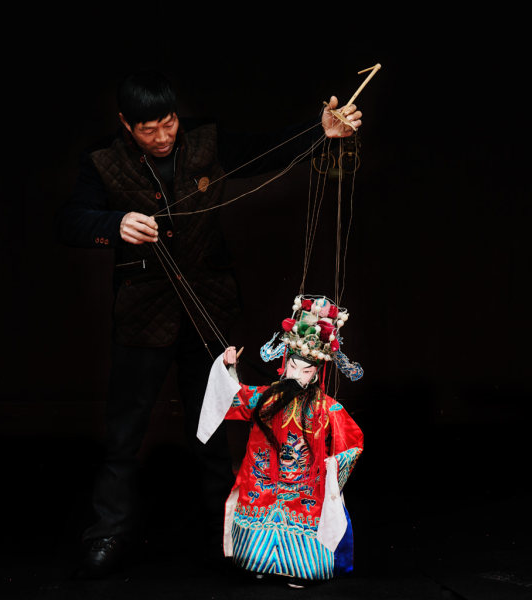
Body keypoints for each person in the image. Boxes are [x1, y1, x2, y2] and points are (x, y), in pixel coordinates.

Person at [55, 70, 362, 578]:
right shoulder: (102, 160)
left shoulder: (206, 140)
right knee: (124, 432)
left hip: (208, 306)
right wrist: (113, 223)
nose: (162, 137)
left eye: (169, 123)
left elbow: (265, 150)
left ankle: (233, 536)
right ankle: (107, 532)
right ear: (126, 124)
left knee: (218, 425)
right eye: (148, 129)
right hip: (143, 315)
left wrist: (319, 131)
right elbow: (70, 220)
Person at [197, 295, 364, 589]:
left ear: (317, 373)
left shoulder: (327, 408)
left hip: (304, 487)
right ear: (284, 364)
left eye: (306, 371)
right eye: (293, 367)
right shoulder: (266, 398)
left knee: (304, 533)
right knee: (255, 537)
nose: (297, 376)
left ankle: (302, 570)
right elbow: (234, 398)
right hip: (263, 481)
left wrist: (333, 466)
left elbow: (353, 440)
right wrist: (229, 368)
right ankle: (257, 564)